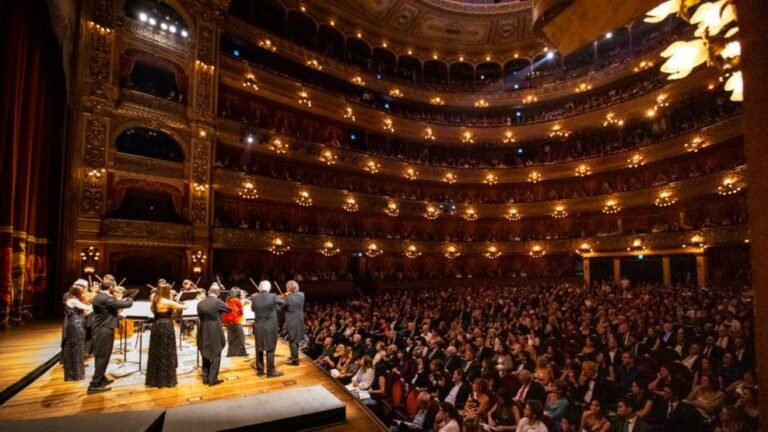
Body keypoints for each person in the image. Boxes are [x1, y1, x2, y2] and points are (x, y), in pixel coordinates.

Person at [87, 278, 133, 394]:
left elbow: (110, 308)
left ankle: (101, 378)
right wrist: (130, 297)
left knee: (100, 355)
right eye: (114, 286)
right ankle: (94, 384)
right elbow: (126, 304)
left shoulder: (100, 296)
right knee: (103, 356)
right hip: (104, 330)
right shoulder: (106, 298)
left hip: (100, 328)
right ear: (111, 287)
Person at [145, 281, 186, 388]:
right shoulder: (167, 301)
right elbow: (184, 307)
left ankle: (154, 379)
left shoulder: (154, 298)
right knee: (166, 351)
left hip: (156, 326)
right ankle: (165, 380)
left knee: (156, 351)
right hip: (166, 326)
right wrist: (174, 299)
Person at [197, 284, 231, 386]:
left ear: (208, 291)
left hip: (203, 329)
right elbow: (229, 309)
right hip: (214, 329)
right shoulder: (217, 302)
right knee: (216, 352)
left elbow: (200, 315)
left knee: (205, 351)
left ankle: (205, 378)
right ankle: (213, 379)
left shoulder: (201, 303)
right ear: (218, 293)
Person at [250, 280, 285, 377]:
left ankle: (260, 370)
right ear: (269, 288)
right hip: (270, 327)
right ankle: (270, 371)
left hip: (258, 326)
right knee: (270, 348)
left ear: (260, 288)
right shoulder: (273, 296)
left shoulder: (255, 297)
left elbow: (253, 309)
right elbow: (283, 302)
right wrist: (275, 308)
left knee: (259, 348)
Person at [62, 284, 92, 381]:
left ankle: (74, 374)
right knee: (76, 350)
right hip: (76, 326)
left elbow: (86, 312)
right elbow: (88, 309)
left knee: (76, 350)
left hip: (77, 325)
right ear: (78, 292)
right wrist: (93, 302)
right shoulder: (72, 300)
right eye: (83, 292)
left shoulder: (74, 300)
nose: (84, 293)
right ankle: (76, 374)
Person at [283, 280, 305, 365]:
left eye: (287, 287)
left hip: (291, 319)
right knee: (297, 338)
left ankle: (295, 360)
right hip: (299, 319)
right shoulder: (302, 295)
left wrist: (285, 297)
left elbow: (282, 307)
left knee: (292, 339)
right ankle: (294, 355)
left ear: (290, 288)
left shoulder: (288, 298)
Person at [222, 287, 247, 357]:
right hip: (235, 321)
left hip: (228, 322)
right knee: (241, 337)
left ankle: (231, 353)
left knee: (231, 337)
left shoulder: (228, 300)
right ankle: (241, 353)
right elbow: (241, 312)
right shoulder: (236, 300)